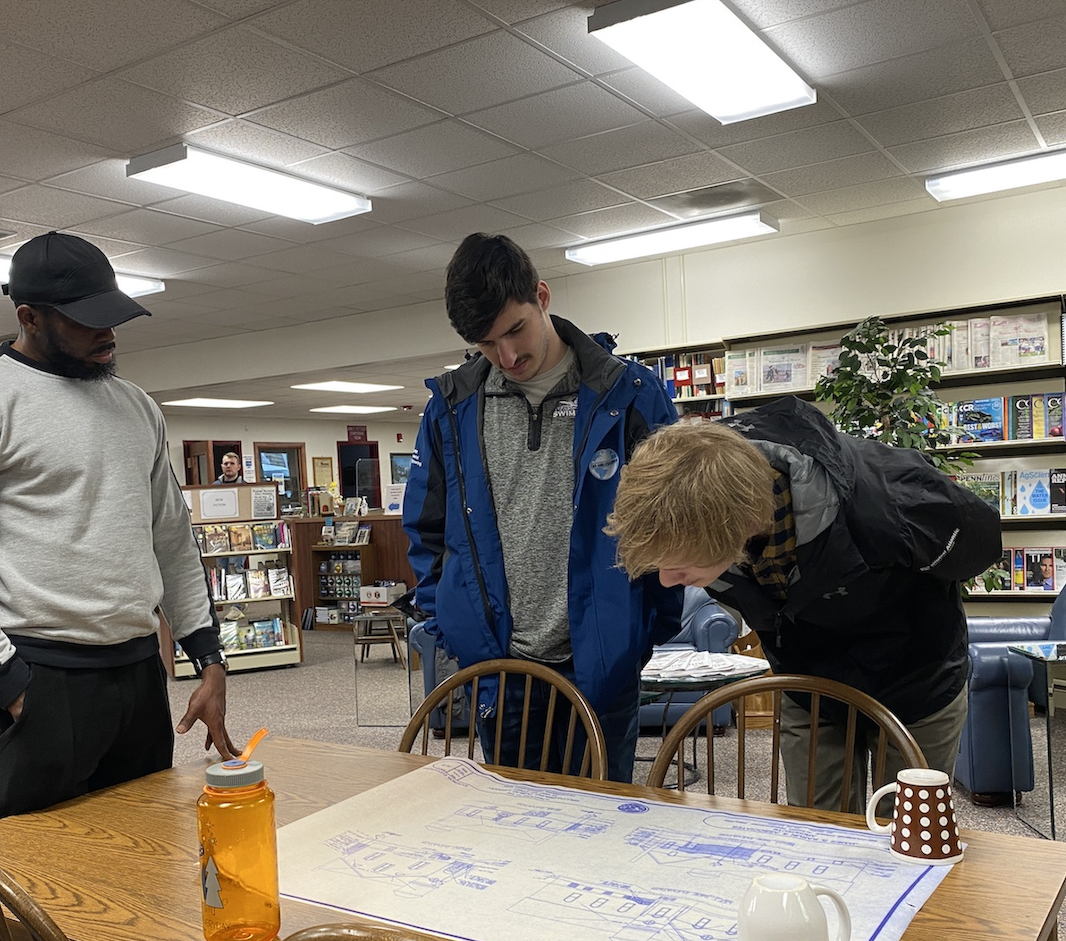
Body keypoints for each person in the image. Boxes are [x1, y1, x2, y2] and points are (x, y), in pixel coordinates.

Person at [0, 229, 238, 828]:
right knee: (32, 879)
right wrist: (10, 683)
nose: (108, 334)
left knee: (145, 855)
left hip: (138, 676)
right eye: (86, 321)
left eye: (113, 316)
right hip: (42, 677)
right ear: (28, 317)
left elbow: (173, 543)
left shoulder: (137, 406)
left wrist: (207, 658)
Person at [605, 399, 1003, 811]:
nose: (669, 581)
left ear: (740, 525)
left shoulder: (886, 500)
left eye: (681, 565)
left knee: (907, 832)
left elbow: (982, 543)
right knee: (816, 829)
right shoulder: (695, 486)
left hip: (917, 681)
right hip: (809, 681)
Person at [403, 233, 683, 784]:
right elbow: (426, 531)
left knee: (605, 824)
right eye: (487, 344)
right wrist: (452, 626)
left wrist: (640, 631)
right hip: (500, 668)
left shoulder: (630, 395)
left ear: (542, 296)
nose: (508, 357)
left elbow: (672, 523)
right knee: (515, 828)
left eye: (515, 330)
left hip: (602, 663)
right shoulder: (451, 410)